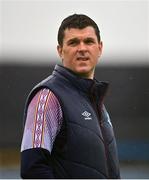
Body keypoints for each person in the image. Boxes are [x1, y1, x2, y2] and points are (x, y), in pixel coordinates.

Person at [20, 13, 120, 179]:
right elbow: (33, 169)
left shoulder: (96, 102)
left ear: (100, 48)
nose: (82, 48)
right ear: (60, 50)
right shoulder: (48, 97)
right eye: (73, 42)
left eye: (88, 41)